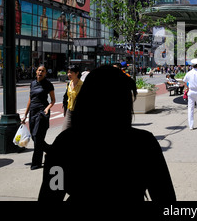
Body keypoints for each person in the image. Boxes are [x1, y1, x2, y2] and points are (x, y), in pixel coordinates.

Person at [38, 65, 176, 202]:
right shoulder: (144, 143)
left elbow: (51, 195)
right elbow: (166, 198)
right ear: (125, 103)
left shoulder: (65, 144)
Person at [21, 65, 55, 170]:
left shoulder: (48, 84)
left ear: (45, 73)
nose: (40, 72)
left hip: (42, 113)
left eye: (43, 71)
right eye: (39, 70)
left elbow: (53, 100)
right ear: (36, 72)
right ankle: (51, 151)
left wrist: (47, 108)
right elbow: (30, 100)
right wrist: (25, 115)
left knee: (37, 136)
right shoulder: (32, 83)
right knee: (35, 137)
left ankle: (36, 163)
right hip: (32, 112)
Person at [183, 58, 197, 130]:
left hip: (191, 91)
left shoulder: (188, 73)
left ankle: (191, 125)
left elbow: (184, 82)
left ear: (192, 65)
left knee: (190, 108)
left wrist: (187, 88)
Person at [62, 65, 83, 131]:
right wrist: (65, 108)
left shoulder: (82, 85)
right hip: (69, 111)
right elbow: (66, 97)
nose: (68, 74)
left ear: (77, 73)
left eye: (71, 72)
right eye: (68, 72)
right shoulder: (69, 84)